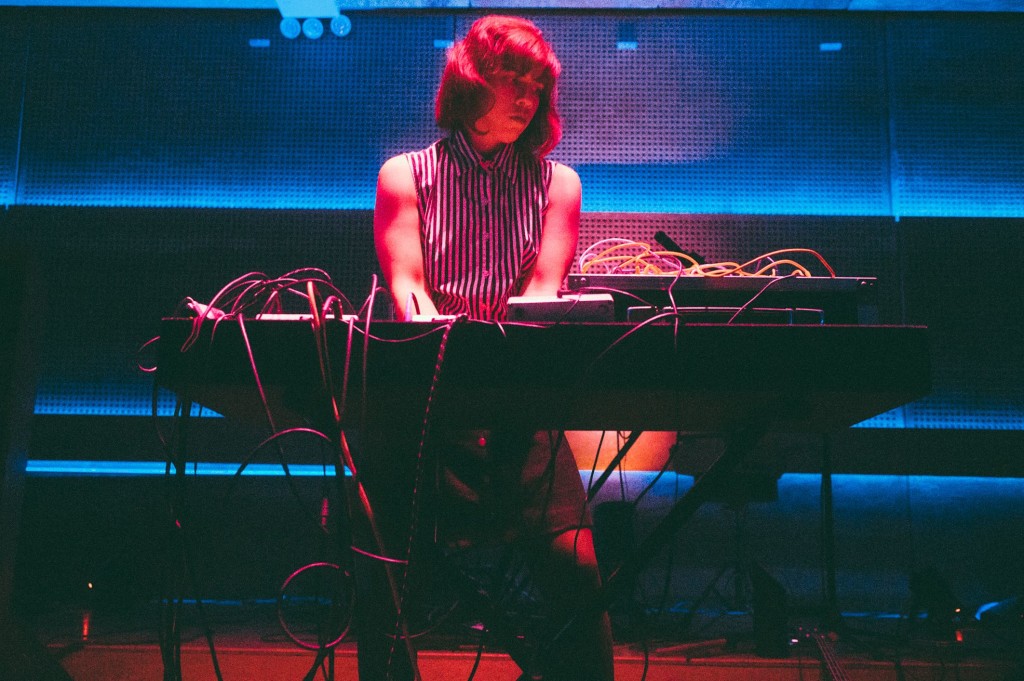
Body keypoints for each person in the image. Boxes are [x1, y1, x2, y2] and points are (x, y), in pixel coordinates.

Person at [357, 14, 615, 681]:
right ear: (471, 83)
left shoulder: (558, 185)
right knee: (378, 565)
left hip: (517, 406)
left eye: (537, 86)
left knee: (576, 569)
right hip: (423, 401)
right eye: (512, 81)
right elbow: (409, 291)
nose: (528, 98)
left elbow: (542, 296)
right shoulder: (405, 175)